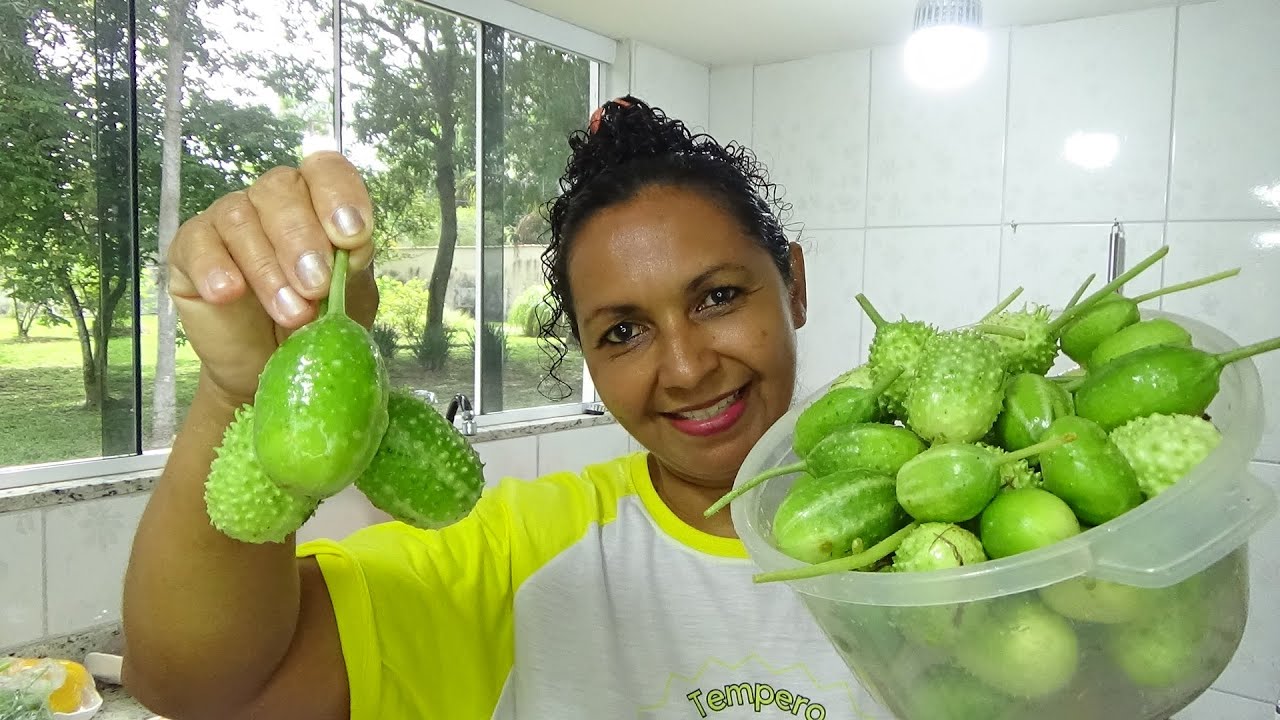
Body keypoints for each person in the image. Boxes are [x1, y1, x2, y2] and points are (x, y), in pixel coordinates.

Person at [120, 96, 893, 720]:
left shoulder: (944, 522)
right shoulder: (522, 553)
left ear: (792, 283)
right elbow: (201, 689)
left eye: (718, 297)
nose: (687, 367)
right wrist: (245, 389)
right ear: (587, 356)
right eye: (623, 332)